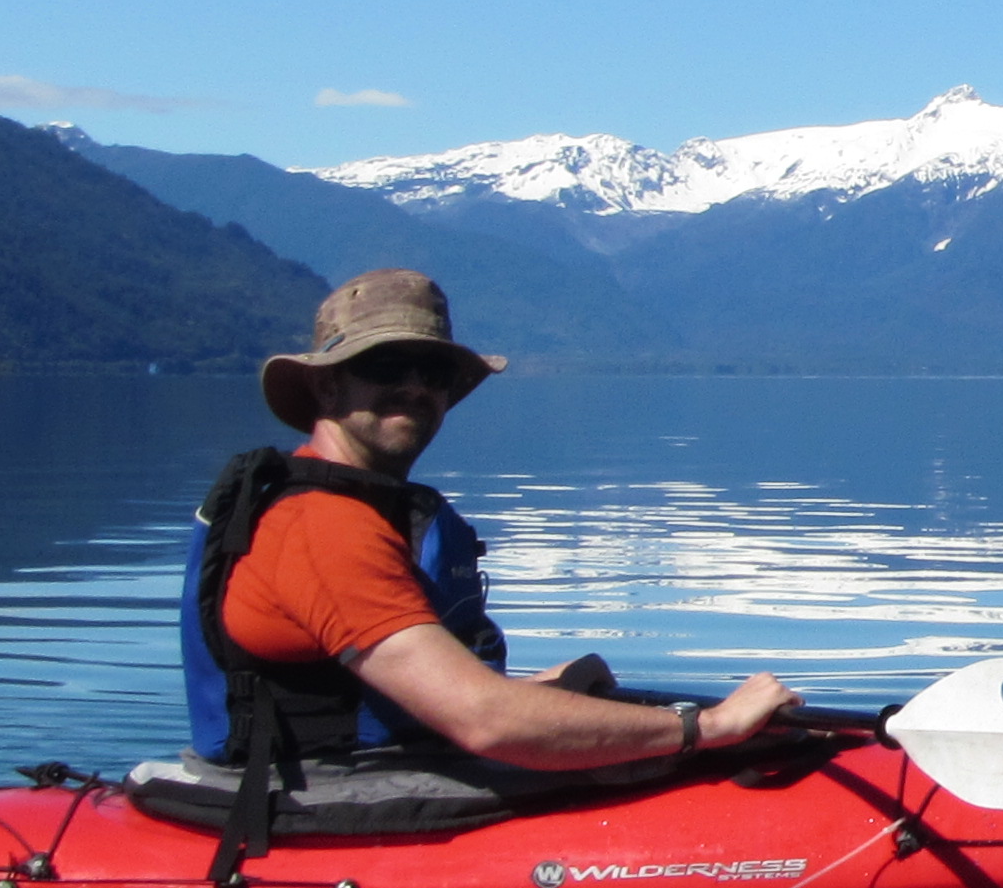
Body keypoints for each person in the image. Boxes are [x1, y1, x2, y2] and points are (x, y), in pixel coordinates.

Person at [184, 267, 796, 782]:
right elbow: (484, 721)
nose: (416, 388)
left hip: (371, 762)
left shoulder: (355, 509)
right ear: (325, 384)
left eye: (435, 373)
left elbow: (429, 696)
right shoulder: (320, 526)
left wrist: (542, 692)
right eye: (390, 365)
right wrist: (710, 725)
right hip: (318, 792)